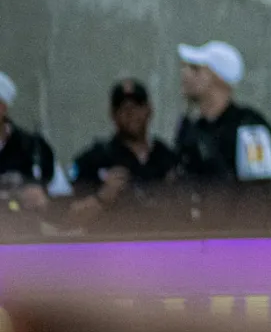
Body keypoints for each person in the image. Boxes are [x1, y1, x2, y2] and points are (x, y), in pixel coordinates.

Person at [173, 41, 271, 232]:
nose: (185, 74)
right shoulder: (193, 130)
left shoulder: (249, 128)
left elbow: (259, 195)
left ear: (219, 79)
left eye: (196, 69)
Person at [67, 80, 180, 234]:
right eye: (123, 108)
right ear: (113, 114)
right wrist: (102, 198)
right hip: (113, 249)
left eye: (137, 106)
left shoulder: (168, 157)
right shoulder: (95, 159)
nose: (131, 113)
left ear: (149, 110)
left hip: (162, 247)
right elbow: (69, 217)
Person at [0, 72, 73, 237]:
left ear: (3, 107)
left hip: (26, 247)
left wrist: (43, 203)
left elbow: (65, 206)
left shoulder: (34, 148)